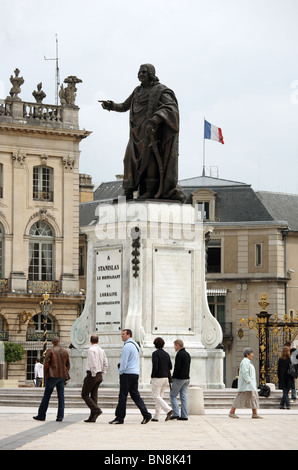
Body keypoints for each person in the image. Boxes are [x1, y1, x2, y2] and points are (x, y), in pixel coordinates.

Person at [101, 64, 185, 202]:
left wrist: (156, 119)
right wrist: (112, 105)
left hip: (151, 133)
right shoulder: (137, 91)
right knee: (128, 159)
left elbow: (171, 108)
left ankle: (150, 191)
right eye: (139, 72)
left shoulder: (160, 90)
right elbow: (124, 106)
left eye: (144, 72)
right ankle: (128, 191)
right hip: (136, 133)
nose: (140, 74)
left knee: (150, 160)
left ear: (151, 74)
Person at [109, 329, 152, 425]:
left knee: (123, 396)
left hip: (127, 374)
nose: (121, 336)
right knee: (135, 395)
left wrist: (120, 372)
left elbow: (124, 362)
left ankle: (119, 417)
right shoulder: (136, 345)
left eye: (123, 334)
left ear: (128, 335)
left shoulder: (127, 346)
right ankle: (146, 414)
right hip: (135, 373)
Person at [33, 336, 70, 422]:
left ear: (52, 342)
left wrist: (46, 374)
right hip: (62, 377)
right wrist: (64, 372)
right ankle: (60, 416)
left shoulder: (50, 351)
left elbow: (46, 364)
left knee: (46, 396)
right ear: (60, 342)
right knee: (61, 396)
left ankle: (41, 415)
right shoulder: (65, 351)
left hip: (52, 376)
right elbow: (68, 365)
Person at [229, 347, 262, 419]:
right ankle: (232, 412)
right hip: (247, 385)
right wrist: (249, 380)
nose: (253, 355)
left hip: (249, 385)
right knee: (240, 398)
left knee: (253, 398)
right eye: (252, 353)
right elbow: (245, 372)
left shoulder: (247, 361)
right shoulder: (245, 362)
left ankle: (254, 413)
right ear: (247, 354)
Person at [81, 334, 108, 422]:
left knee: (84, 394)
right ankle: (92, 417)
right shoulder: (101, 350)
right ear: (98, 341)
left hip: (93, 374)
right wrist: (102, 372)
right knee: (93, 395)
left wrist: (93, 373)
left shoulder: (91, 350)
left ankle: (96, 410)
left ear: (90, 341)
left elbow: (92, 363)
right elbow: (105, 363)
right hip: (99, 374)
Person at [151, 337, 173, 422]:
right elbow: (170, 366)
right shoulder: (167, 354)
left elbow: (155, 366)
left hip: (157, 378)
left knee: (156, 396)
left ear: (155, 344)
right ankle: (156, 416)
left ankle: (168, 410)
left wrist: (152, 376)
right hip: (165, 377)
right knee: (160, 397)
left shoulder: (155, 354)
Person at [170, 339, 191, 421]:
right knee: (184, 397)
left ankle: (175, 413)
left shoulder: (179, 354)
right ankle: (184, 415)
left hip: (179, 378)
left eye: (174, 345)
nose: (174, 347)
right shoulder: (187, 354)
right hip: (186, 378)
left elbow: (177, 367)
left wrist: (173, 377)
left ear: (178, 345)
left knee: (173, 395)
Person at [278, 345, 295, 410]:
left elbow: (278, 370)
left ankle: (281, 404)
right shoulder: (290, 359)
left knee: (285, 392)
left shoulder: (280, 359)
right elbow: (293, 369)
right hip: (289, 378)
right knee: (286, 392)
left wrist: (279, 377)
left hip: (282, 377)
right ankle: (288, 405)